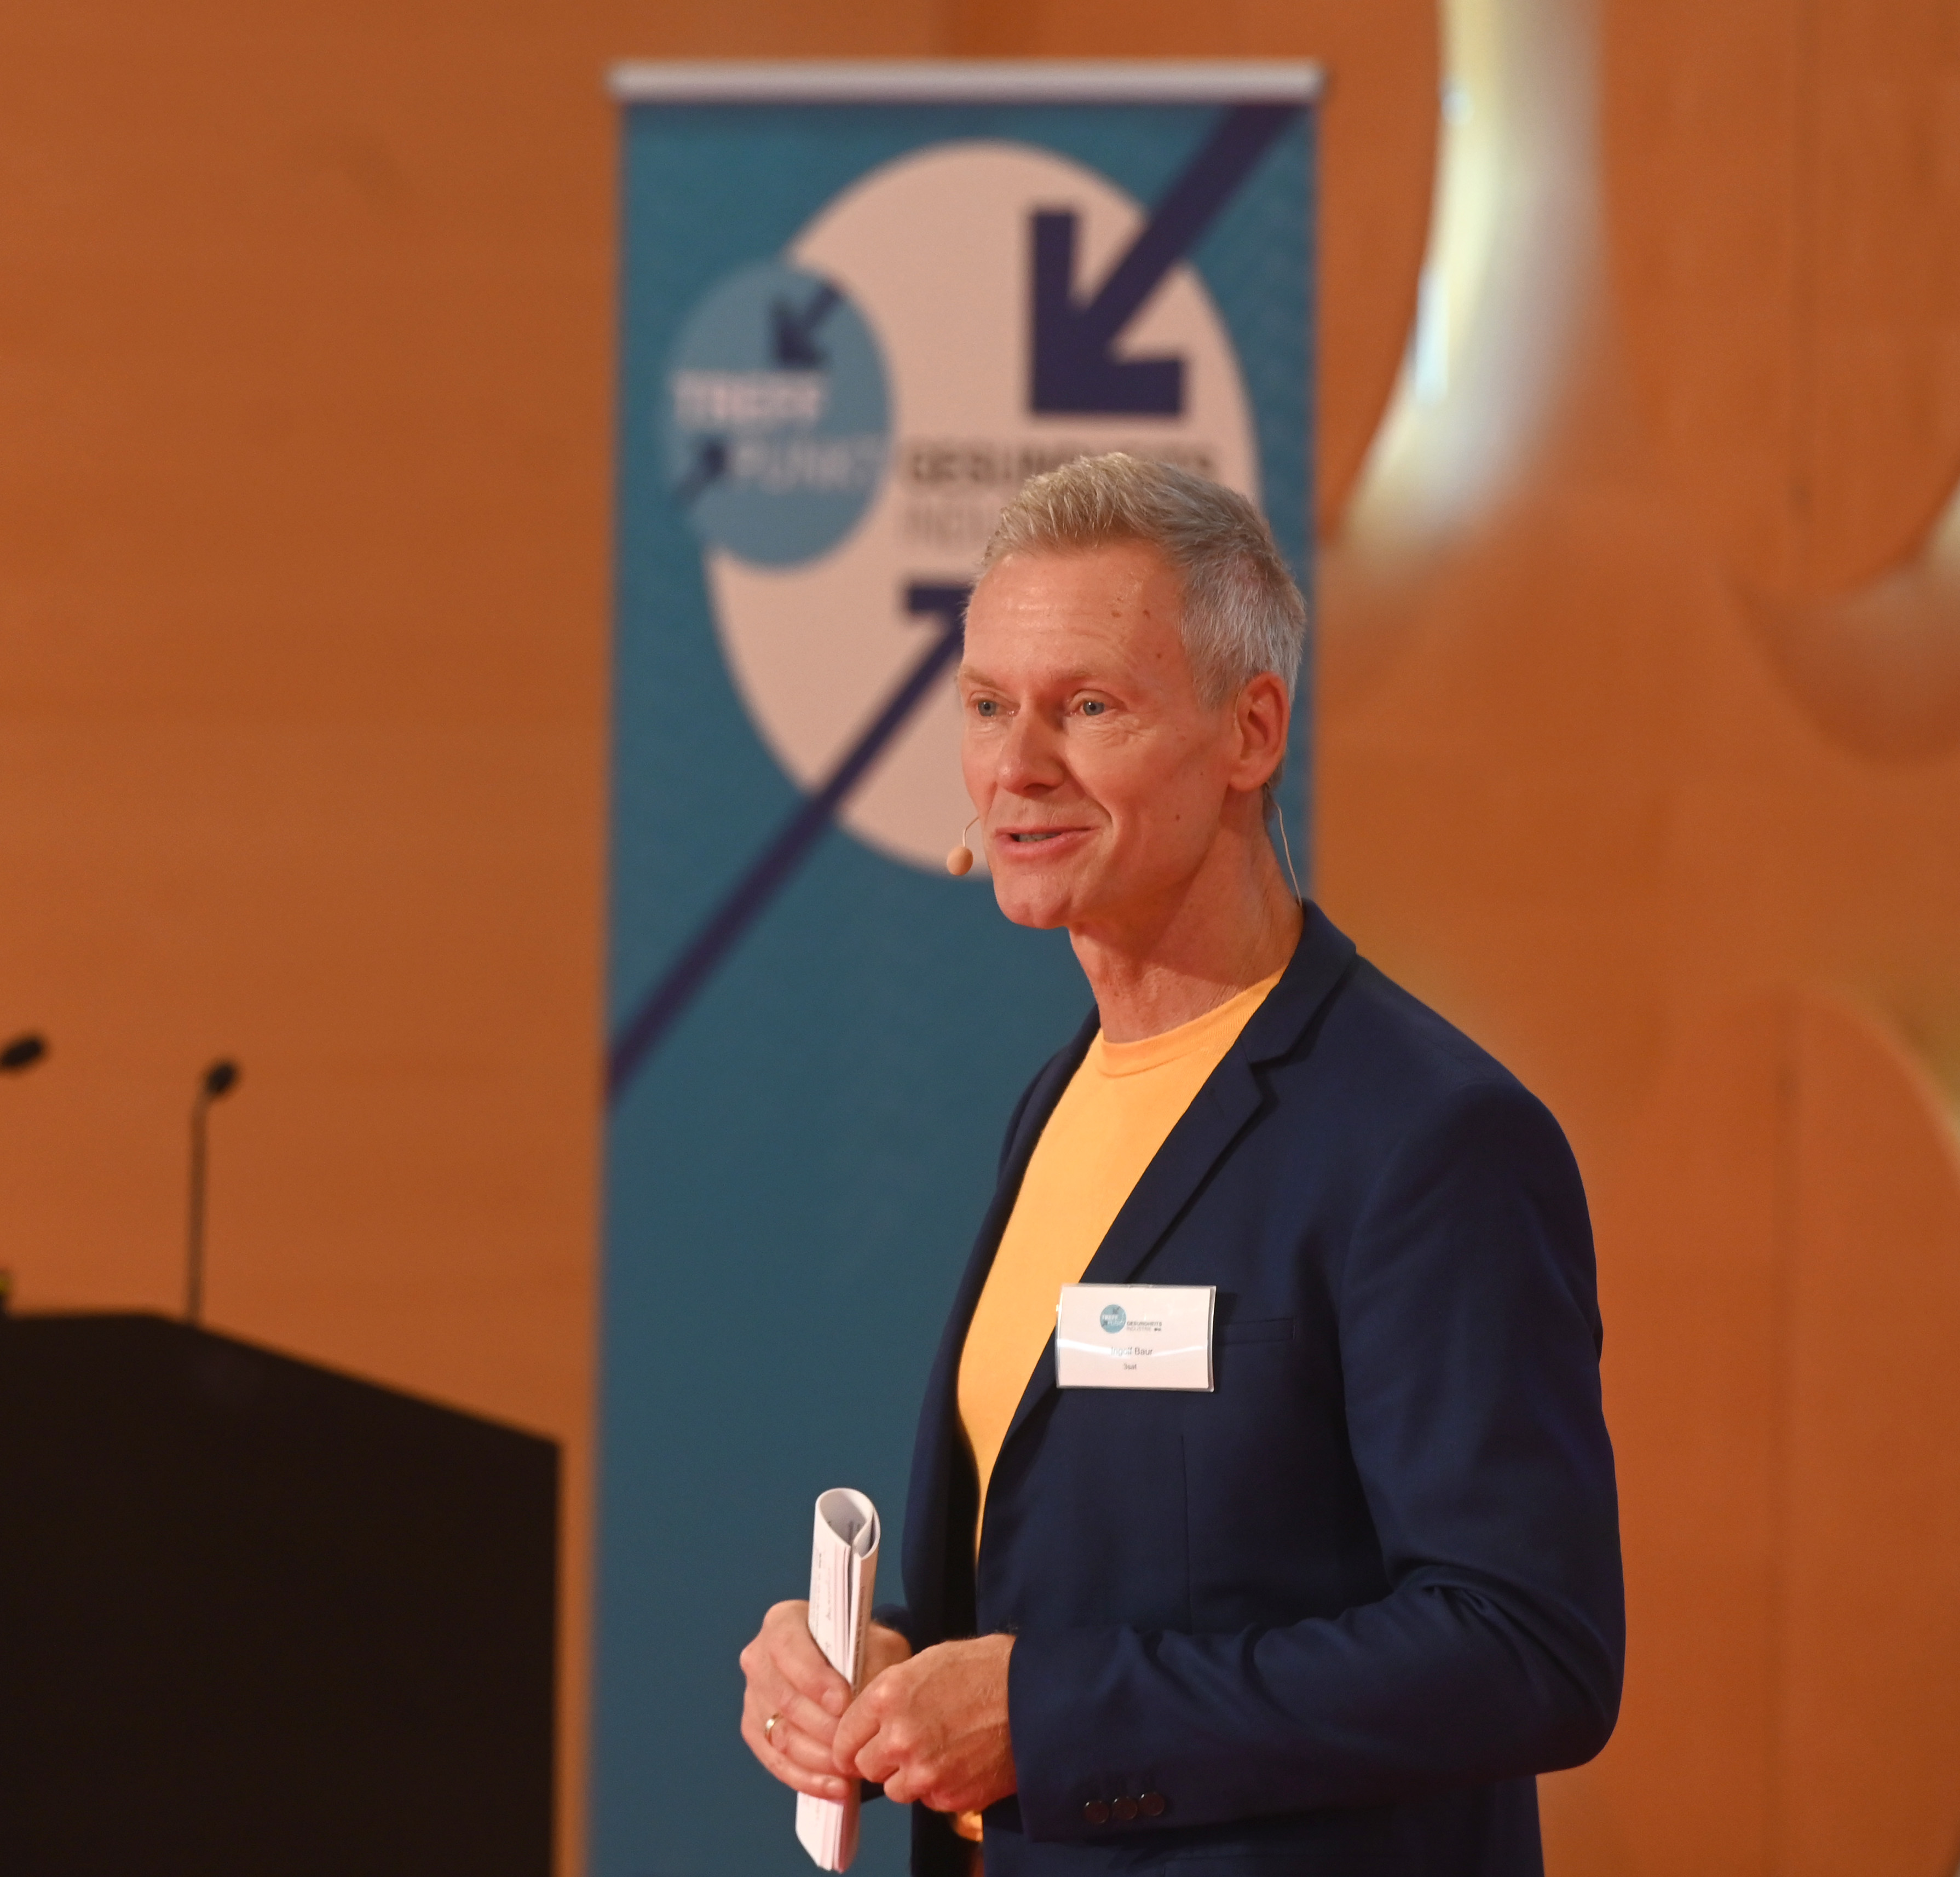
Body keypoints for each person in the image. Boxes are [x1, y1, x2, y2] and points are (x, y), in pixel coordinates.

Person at [739, 453, 1623, 1877]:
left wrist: (1042, 1710)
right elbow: (1102, 1577)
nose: (1015, 766)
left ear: (1249, 731)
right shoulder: (1059, 1096)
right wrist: (885, 1663)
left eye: (1087, 706)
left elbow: (1525, 1646)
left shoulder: (1430, 1137)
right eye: (984, 706)